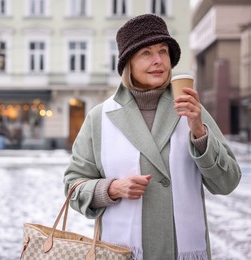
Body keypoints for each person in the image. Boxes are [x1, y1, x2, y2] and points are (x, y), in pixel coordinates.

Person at [63, 14, 241, 260]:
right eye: (146, 53)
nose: (158, 60)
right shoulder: (100, 117)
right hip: (122, 252)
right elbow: (73, 185)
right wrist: (112, 188)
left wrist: (199, 131)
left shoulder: (192, 109)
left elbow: (228, 182)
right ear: (128, 63)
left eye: (163, 51)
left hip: (183, 252)